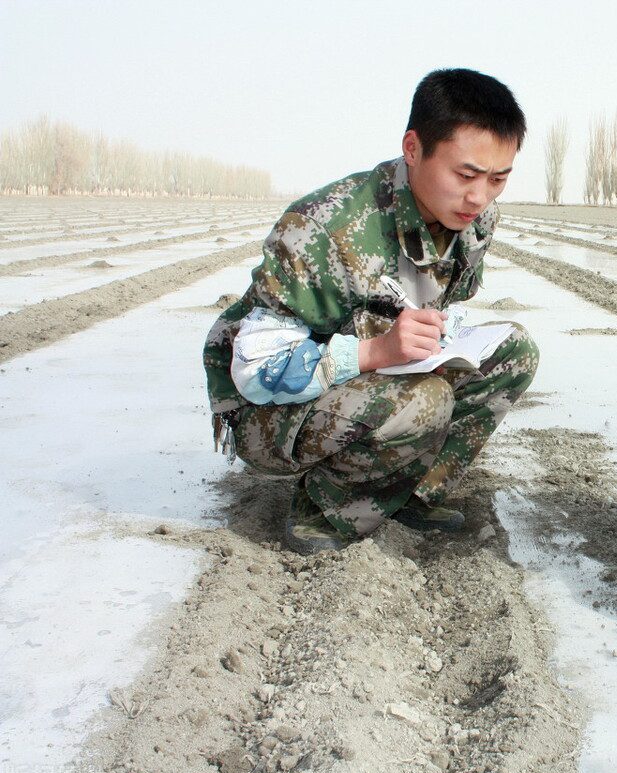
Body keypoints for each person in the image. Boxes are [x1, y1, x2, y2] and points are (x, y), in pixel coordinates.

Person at [202, 68, 538, 554]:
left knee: (515, 353)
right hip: (266, 414)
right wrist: (378, 351)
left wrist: (439, 338)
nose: (480, 197)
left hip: (374, 382)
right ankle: (326, 510)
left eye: (498, 179)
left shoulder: (474, 219)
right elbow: (254, 370)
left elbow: (433, 300)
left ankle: (410, 495)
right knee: (426, 400)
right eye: (465, 175)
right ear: (413, 148)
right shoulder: (324, 229)